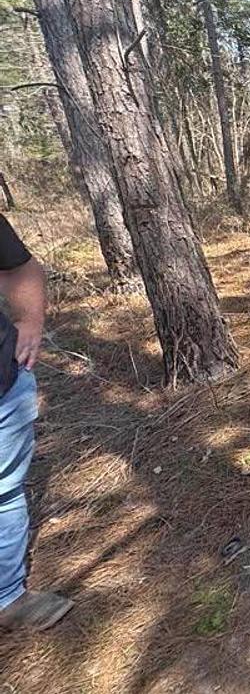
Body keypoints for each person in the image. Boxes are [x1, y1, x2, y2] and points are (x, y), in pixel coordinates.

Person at [0, 213, 72, 631]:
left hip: (3, 387)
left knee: (5, 492)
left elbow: (20, 267)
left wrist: (30, 321)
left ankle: (8, 595)